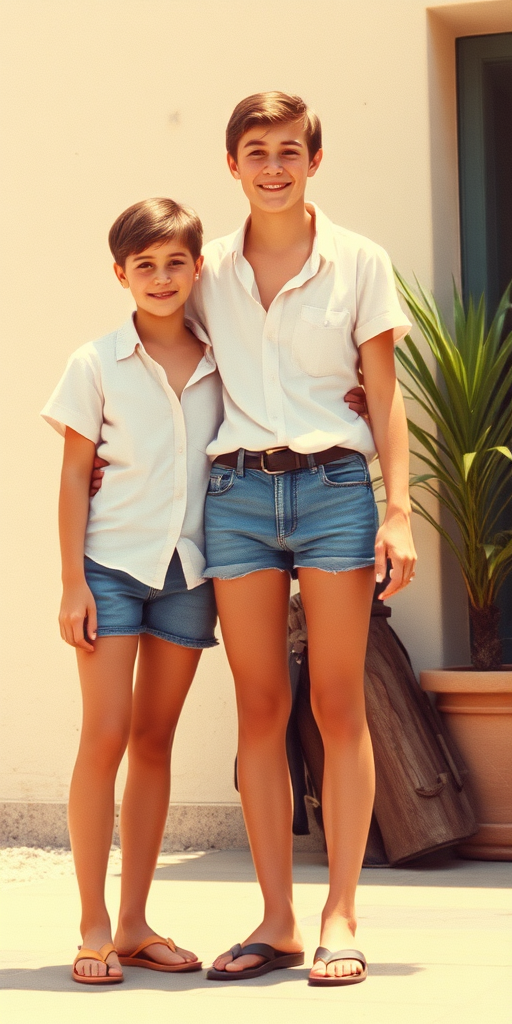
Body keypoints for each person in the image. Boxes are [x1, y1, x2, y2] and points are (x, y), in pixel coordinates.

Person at [187, 92, 417, 986]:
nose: (273, 166)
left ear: (314, 162)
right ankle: (277, 920)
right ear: (232, 165)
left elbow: (384, 389)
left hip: (332, 493)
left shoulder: (359, 261)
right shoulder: (203, 271)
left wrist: (397, 508)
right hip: (236, 494)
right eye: (256, 151)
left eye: (290, 150)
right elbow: (168, 366)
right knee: (258, 710)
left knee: (336, 705)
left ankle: (342, 916)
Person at [41, 198, 222, 983]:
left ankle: (136, 923)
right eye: (142, 265)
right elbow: (76, 473)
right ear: (120, 274)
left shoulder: (225, 357)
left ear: (196, 267)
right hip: (111, 571)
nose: (159, 277)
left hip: (190, 574)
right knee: (105, 735)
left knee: (154, 742)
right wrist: (71, 582)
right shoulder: (95, 363)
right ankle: (91, 926)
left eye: (174, 262)